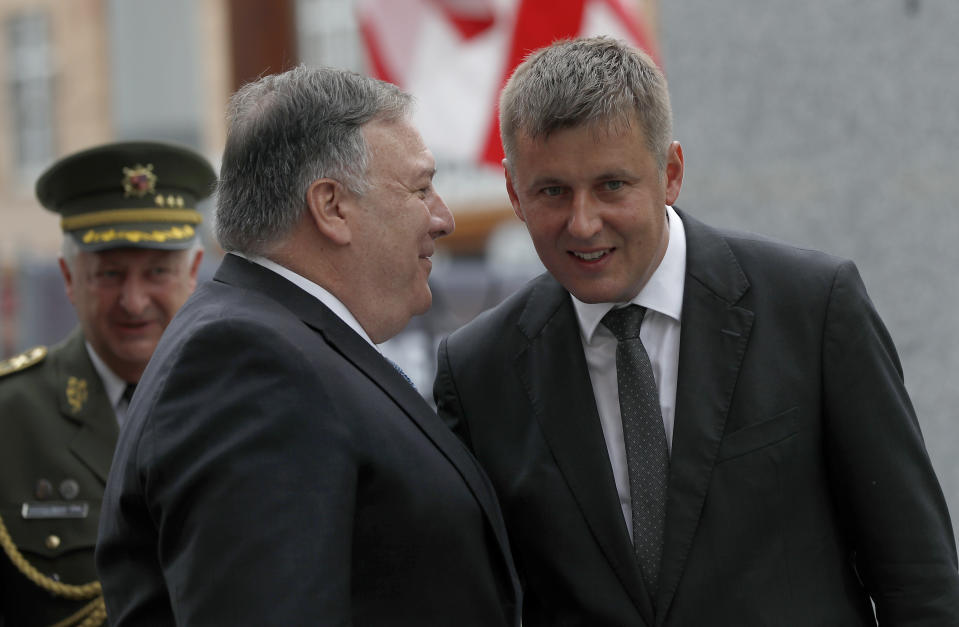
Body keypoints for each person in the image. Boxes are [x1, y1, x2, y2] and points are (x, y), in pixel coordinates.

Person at [433, 36, 959, 626]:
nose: (583, 223)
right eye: (552, 191)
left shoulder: (812, 308)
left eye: (612, 185)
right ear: (513, 192)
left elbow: (919, 577)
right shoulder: (478, 372)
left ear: (672, 173)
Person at [95, 65, 522, 626]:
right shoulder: (247, 363)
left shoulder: (277, 343)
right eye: (420, 188)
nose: (442, 217)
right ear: (331, 206)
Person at [0, 141, 213, 627]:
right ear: (69, 278)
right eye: (110, 275)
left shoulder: (242, 401)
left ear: (194, 273)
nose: (134, 302)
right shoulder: (11, 416)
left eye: (157, 272)